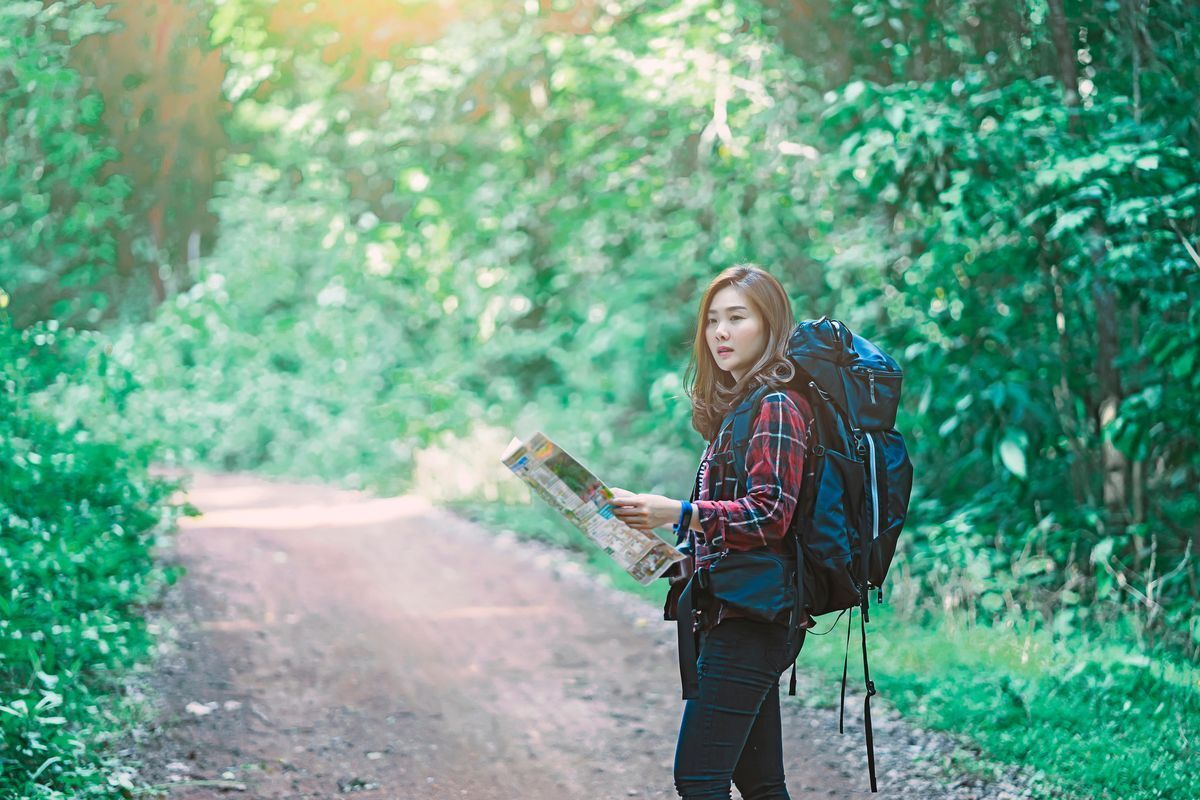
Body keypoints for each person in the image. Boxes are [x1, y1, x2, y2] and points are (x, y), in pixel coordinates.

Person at [610, 264, 813, 800]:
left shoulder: (776, 406)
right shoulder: (739, 410)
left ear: (770, 327)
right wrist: (668, 550)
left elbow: (771, 515)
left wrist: (679, 511)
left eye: (738, 318)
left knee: (698, 778)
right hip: (738, 609)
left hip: (754, 617)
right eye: (713, 320)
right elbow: (736, 525)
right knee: (760, 782)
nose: (720, 332)